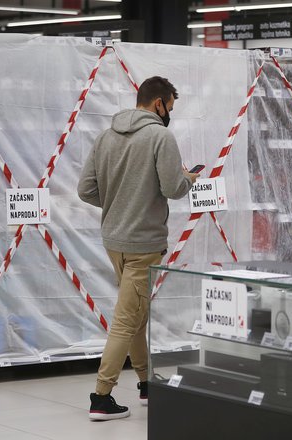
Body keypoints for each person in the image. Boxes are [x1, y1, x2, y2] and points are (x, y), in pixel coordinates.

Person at [78, 76, 199, 421]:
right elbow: (173, 188)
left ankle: (147, 384)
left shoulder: (105, 136)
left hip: (113, 242)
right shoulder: (161, 137)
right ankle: (101, 397)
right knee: (125, 319)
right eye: (170, 108)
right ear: (159, 103)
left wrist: (118, 204)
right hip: (145, 244)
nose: (169, 115)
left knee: (135, 314)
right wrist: (189, 178)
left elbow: (85, 190)